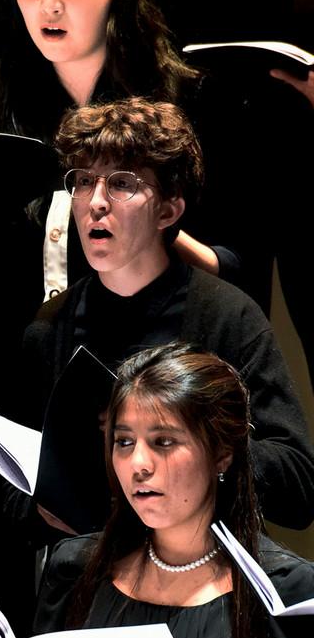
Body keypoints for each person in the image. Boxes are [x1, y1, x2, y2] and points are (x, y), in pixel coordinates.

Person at [24, 343, 314, 638]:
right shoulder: (74, 565)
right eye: (124, 442)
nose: (138, 464)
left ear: (222, 453)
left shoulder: (284, 586)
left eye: (163, 441)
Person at [19, 98, 314, 533]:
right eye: (83, 182)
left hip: (207, 576)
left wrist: (194, 434)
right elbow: (10, 497)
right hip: (91, 578)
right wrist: (37, 509)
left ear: (168, 210)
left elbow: (298, 489)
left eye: (121, 184)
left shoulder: (228, 317)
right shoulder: (48, 328)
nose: (95, 202)